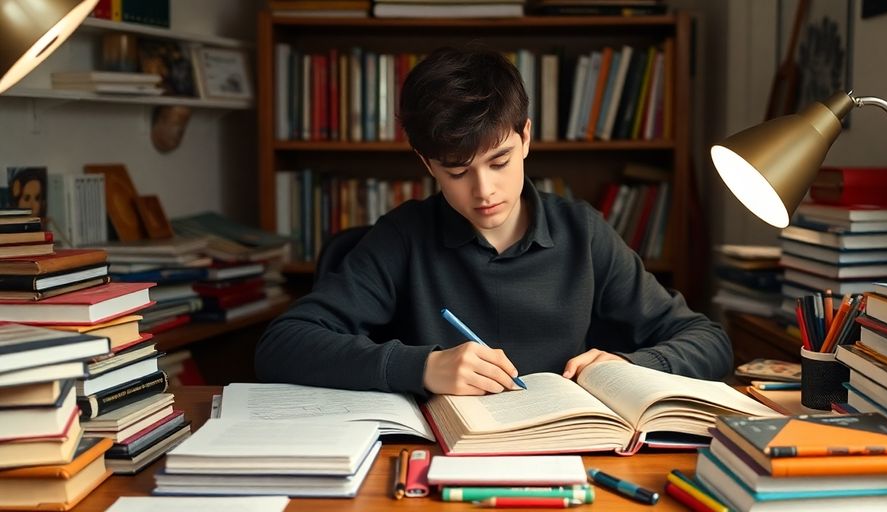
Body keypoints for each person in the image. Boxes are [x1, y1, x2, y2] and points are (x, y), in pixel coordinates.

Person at [255, 47, 731, 396]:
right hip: (438, 457)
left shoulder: (582, 233)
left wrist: (628, 366)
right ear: (426, 163)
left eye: (500, 161)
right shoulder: (403, 237)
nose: (483, 191)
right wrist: (421, 367)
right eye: (457, 172)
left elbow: (710, 341)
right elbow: (281, 345)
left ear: (525, 137)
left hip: (568, 453)